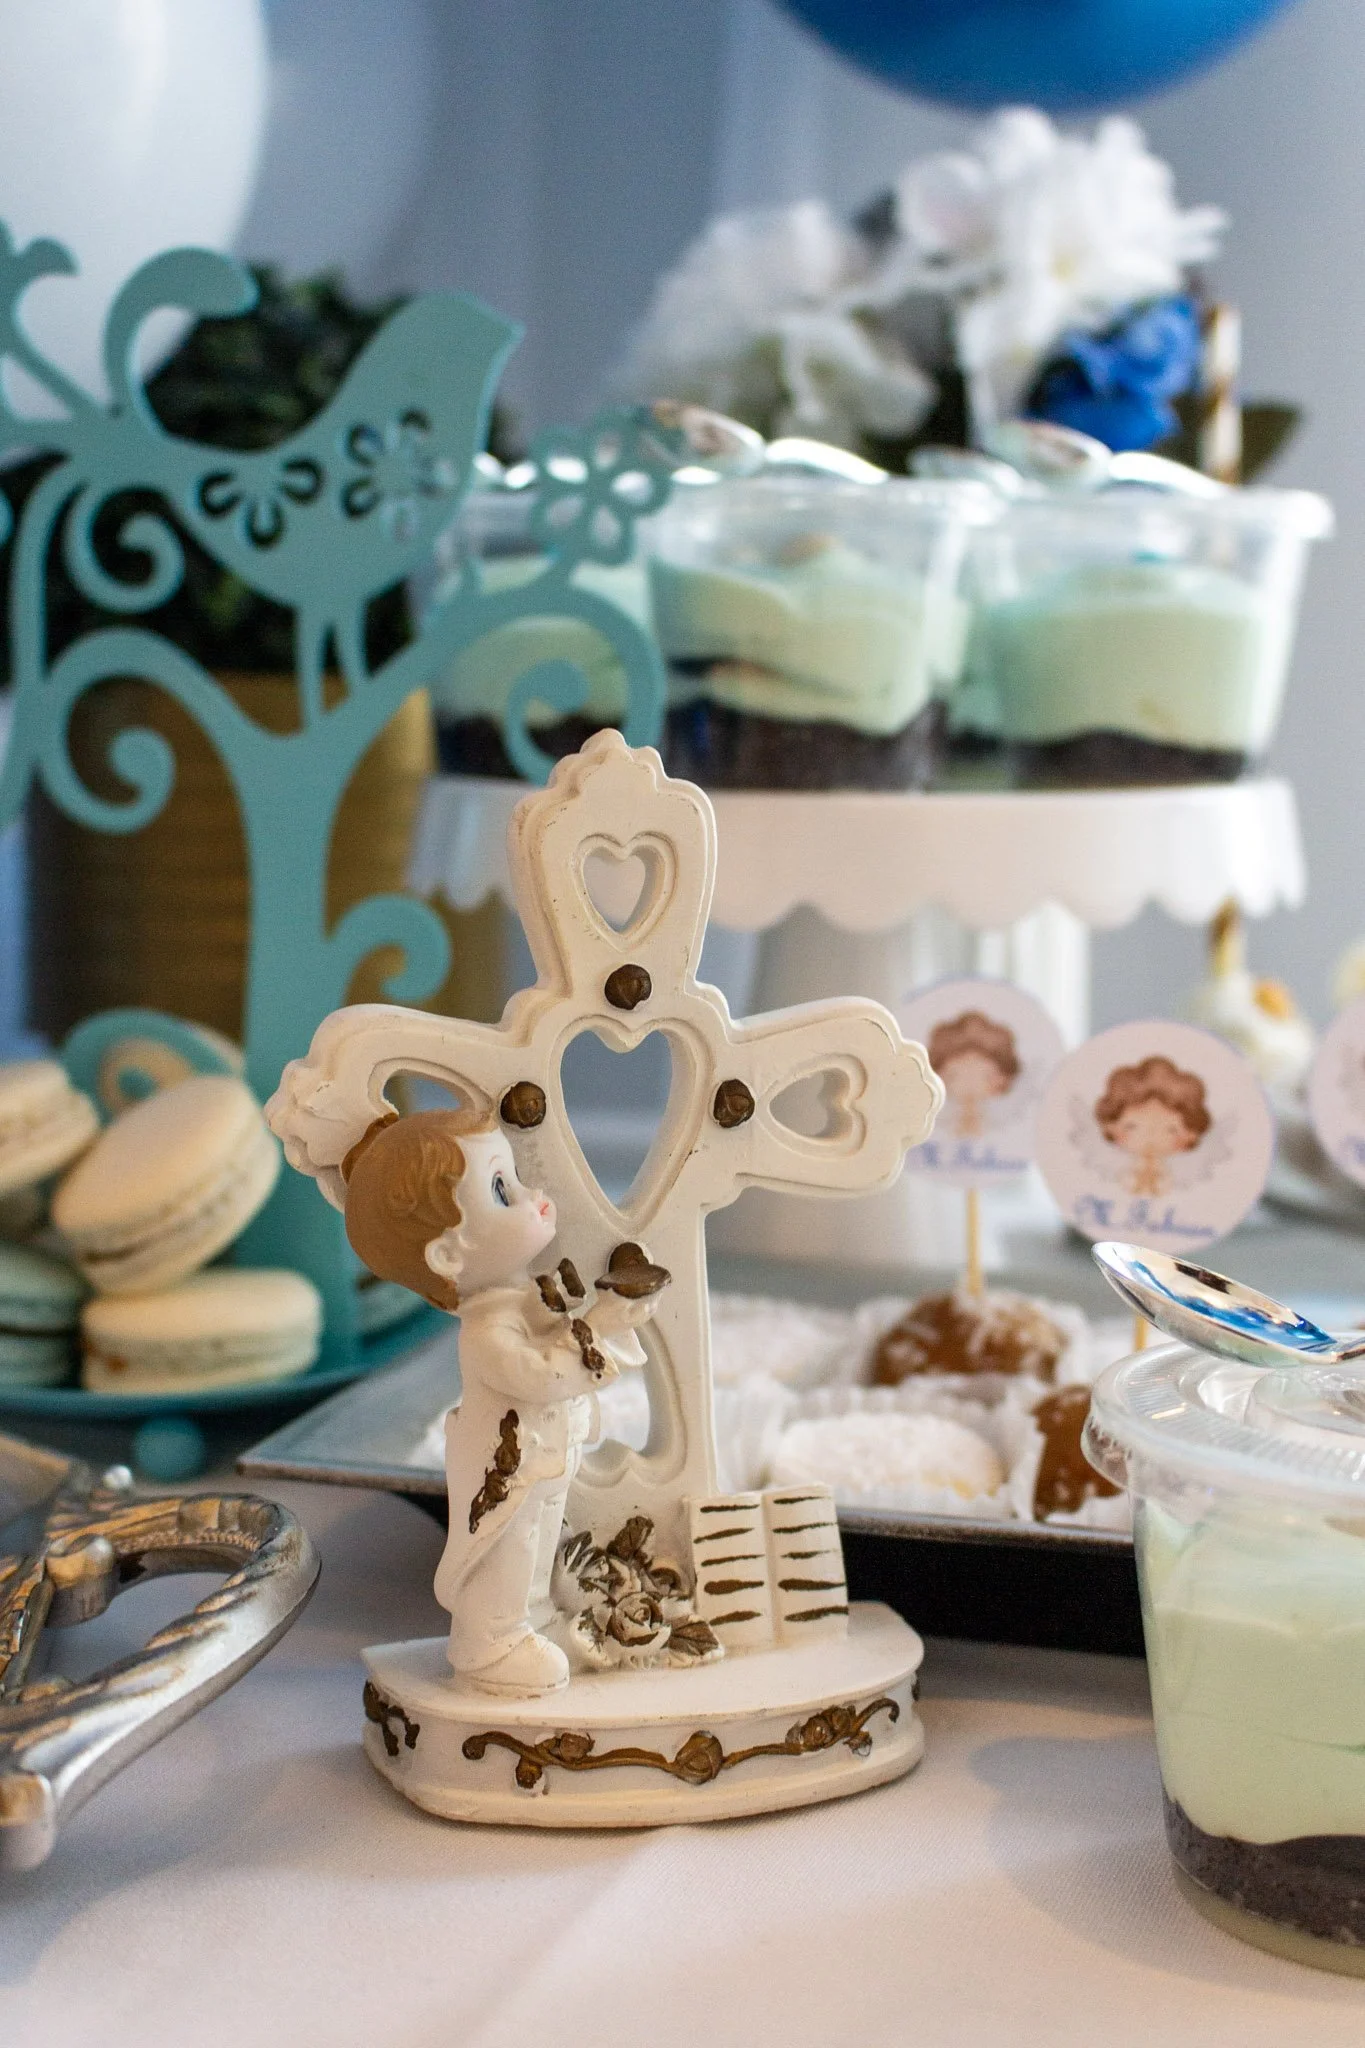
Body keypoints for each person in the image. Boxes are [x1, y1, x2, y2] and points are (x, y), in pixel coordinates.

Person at [342, 1108, 660, 1697]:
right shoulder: (487, 1333)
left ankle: (533, 1622)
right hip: (506, 1477)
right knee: (506, 1556)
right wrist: (600, 1323)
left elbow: (553, 1324)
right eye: (501, 1189)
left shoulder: (517, 1302)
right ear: (447, 1256)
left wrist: (599, 1315)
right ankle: (487, 1647)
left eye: (513, 1177)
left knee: (541, 1545)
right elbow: (542, 1374)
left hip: (543, 1464)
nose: (533, 1197)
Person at [1094, 1055, 1210, 1198]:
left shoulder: (1177, 1180)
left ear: (1190, 1134)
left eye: (1171, 1129)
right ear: (1112, 1127)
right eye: (1132, 1126)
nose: (1151, 1136)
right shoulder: (1120, 1176)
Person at [928, 1010, 1021, 1139]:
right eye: (955, 1075)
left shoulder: (1002, 1126)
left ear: (1001, 1079)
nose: (970, 1083)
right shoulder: (934, 1124)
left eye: (985, 1076)